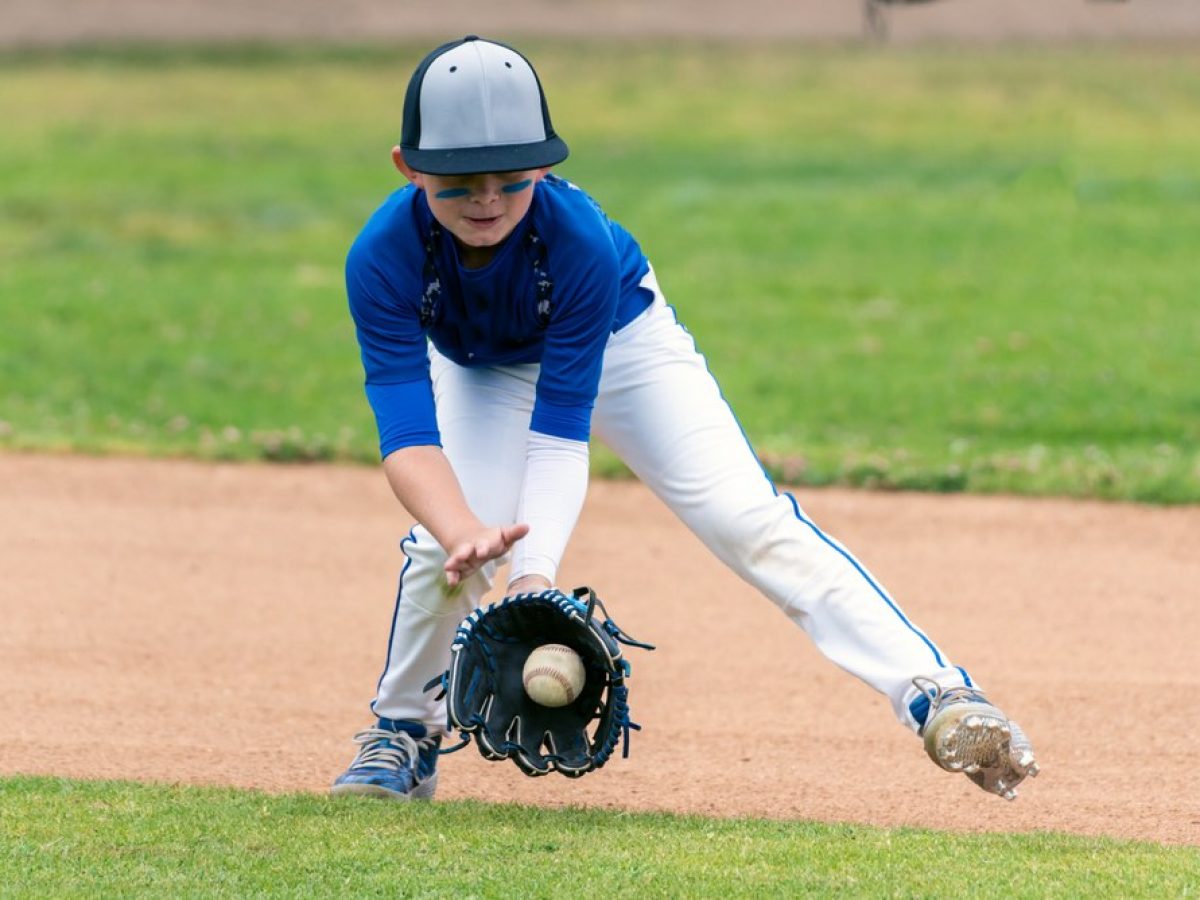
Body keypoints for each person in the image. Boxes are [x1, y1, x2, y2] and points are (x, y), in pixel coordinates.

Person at [331, 35, 1039, 802]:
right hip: (484, 370)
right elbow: (408, 439)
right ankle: (403, 732)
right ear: (409, 168)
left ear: (546, 167)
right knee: (441, 552)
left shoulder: (576, 242)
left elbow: (560, 434)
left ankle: (937, 694)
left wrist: (533, 577)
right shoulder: (381, 257)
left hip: (622, 343)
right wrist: (464, 531)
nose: (488, 200)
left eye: (513, 177)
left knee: (745, 519)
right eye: (461, 183)